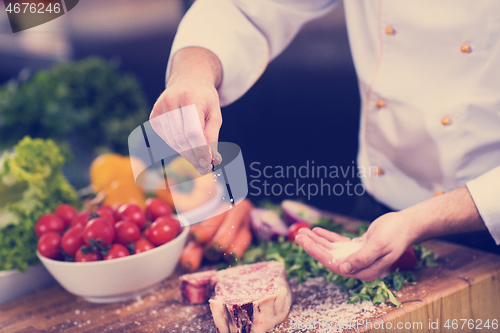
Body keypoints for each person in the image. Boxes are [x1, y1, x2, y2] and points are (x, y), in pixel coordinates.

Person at [149, 0, 500, 281]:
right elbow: (243, 8)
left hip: (488, 220)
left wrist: (420, 221)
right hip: (382, 213)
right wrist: (193, 74)